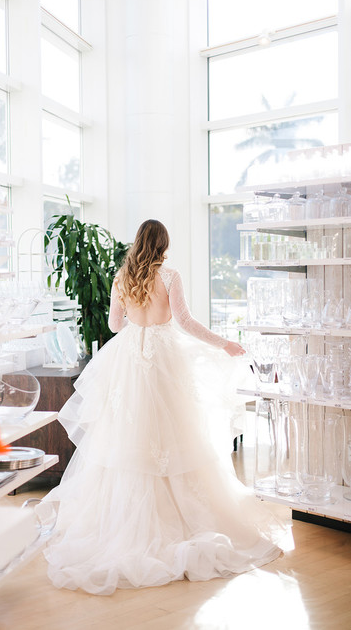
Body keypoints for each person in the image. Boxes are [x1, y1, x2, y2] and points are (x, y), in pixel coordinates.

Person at [44, 219, 286, 596]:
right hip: (164, 360)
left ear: (138, 242)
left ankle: (124, 524)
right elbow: (185, 322)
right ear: (162, 245)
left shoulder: (122, 278)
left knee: (128, 436)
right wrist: (224, 343)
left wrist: (136, 323)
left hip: (129, 359)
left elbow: (114, 325)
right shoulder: (169, 276)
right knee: (174, 434)